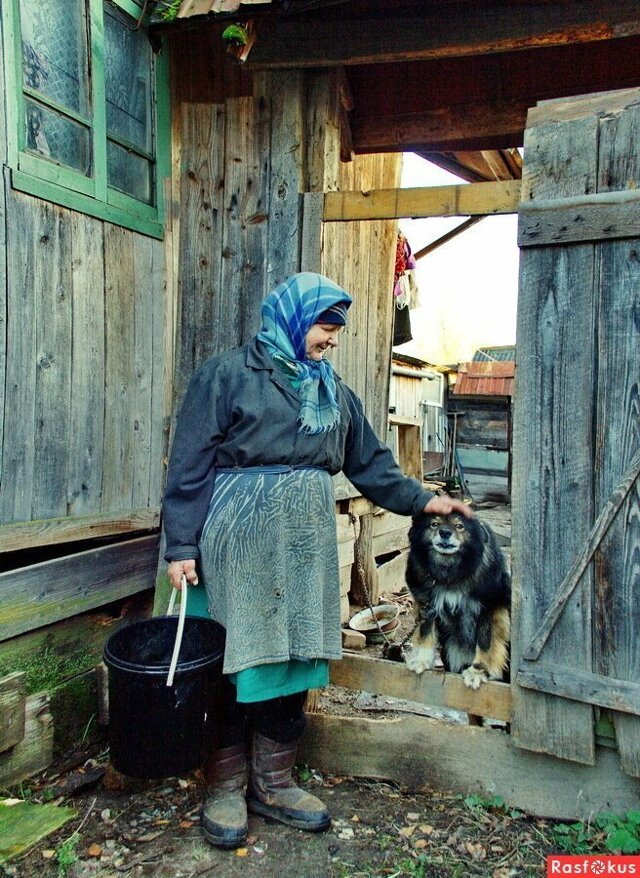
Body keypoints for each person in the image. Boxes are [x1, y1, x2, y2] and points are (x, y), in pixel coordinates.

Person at [162, 272, 472, 850]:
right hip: (240, 543)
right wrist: (180, 546)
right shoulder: (228, 376)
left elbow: (372, 464)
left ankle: (273, 782)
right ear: (293, 319)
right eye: (325, 329)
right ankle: (225, 785)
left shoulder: (333, 391)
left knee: (298, 653)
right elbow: (189, 466)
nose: (331, 341)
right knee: (237, 658)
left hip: (304, 543)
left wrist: (426, 499)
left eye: (335, 331)